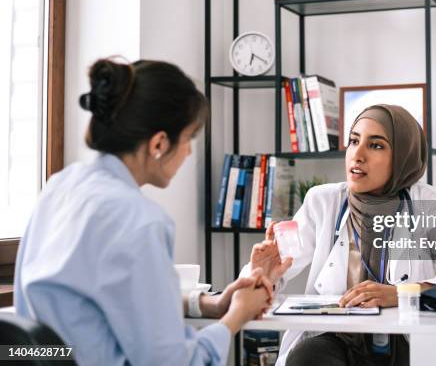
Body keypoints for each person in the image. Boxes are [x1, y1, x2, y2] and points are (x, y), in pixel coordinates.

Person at [14, 58, 273, 365]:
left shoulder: (59, 187)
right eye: (189, 139)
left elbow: (111, 304)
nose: (189, 152)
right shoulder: (140, 221)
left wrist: (209, 304)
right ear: (159, 143)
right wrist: (235, 317)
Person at [242, 104, 436, 366]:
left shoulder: (426, 202)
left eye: (376, 145)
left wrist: (401, 294)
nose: (357, 155)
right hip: (337, 337)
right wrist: (263, 275)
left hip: (403, 339)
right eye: (354, 141)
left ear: (402, 157)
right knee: (306, 358)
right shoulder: (324, 201)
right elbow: (272, 275)